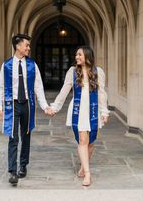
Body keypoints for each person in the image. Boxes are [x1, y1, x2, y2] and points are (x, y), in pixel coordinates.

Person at [0, 34, 53, 185]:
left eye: (28, 45)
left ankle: (23, 165)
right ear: (18, 46)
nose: (28, 48)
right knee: (13, 138)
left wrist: (45, 106)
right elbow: (0, 87)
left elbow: (38, 87)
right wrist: (0, 107)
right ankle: (13, 171)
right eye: (26, 45)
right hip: (12, 105)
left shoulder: (32, 65)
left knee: (26, 135)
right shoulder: (7, 65)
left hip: (27, 105)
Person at [49, 46, 109, 186]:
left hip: (93, 110)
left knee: (91, 143)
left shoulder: (98, 72)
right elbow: (65, 90)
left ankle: (83, 167)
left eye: (80, 55)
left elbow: (102, 94)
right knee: (82, 140)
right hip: (79, 110)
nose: (77, 57)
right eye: (76, 55)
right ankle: (88, 174)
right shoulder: (73, 72)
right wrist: (55, 107)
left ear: (87, 56)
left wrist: (104, 111)